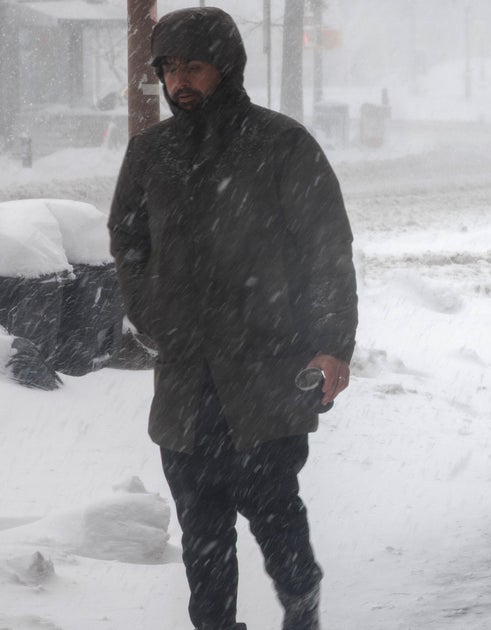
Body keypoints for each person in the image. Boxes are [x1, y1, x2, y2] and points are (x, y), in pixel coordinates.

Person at [108, 7, 357, 630]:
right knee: (202, 535)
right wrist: (152, 313)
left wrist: (331, 344)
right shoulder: (150, 153)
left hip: (265, 373)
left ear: (226, 67)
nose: (179, 81)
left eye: (193, 66)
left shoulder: (280, 143)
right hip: (186, 381)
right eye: (169, 69)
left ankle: (302, 601)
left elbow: (325, 248)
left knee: (276, 515)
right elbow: (128, 243)